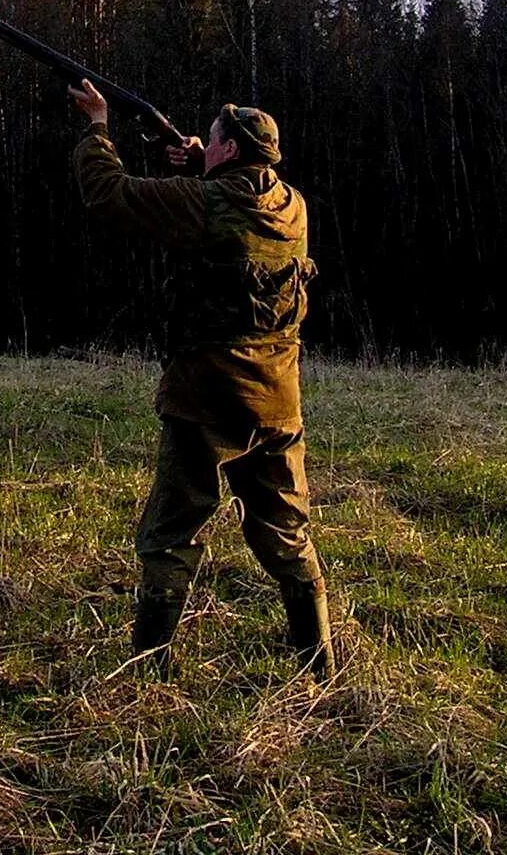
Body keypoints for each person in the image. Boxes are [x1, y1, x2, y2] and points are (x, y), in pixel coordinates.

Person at [69, 79, 338, 674]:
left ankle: (147, 673)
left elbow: (107, 194)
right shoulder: (292, 207)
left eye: (213, 140)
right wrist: (203, 160)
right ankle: (320, 665)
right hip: (277, 401)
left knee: (172, 534)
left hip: (208, 398)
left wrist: (96, 126)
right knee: (287, 533)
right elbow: (237, 196)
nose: (204, 143)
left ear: (230, 153)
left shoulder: (201, 203)